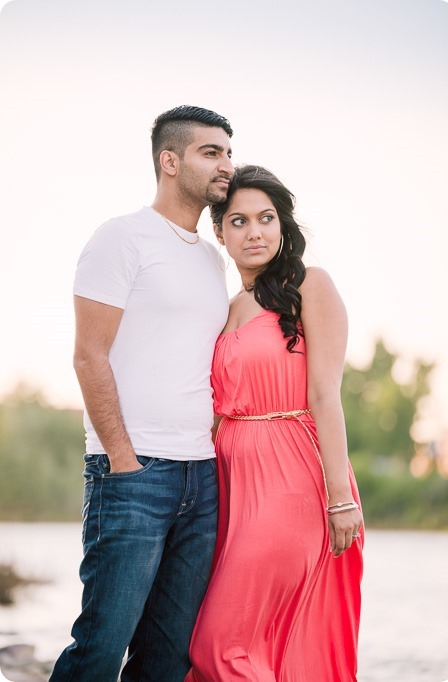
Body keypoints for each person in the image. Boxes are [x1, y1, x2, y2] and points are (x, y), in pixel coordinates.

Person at [49, 105, 234, 682]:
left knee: (167, 658)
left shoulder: (210, 257)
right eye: (212, 152)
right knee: (101, 647)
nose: (227, 164)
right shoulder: (121, 237)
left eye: (229, 152)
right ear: (169, 161)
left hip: (200, 478)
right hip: (134, 473)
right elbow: (88, 354)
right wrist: (124, 460)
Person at [185, 165, 364, 682]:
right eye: (238, 221)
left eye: (266, 218)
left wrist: (340, 498)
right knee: (237, 643)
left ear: (283, 224)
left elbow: (326, 396)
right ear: (219, 233)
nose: (254, 232)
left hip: (293, 482)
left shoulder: (311, 285)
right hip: (233, 486)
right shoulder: (226, 308)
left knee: (217, 646)